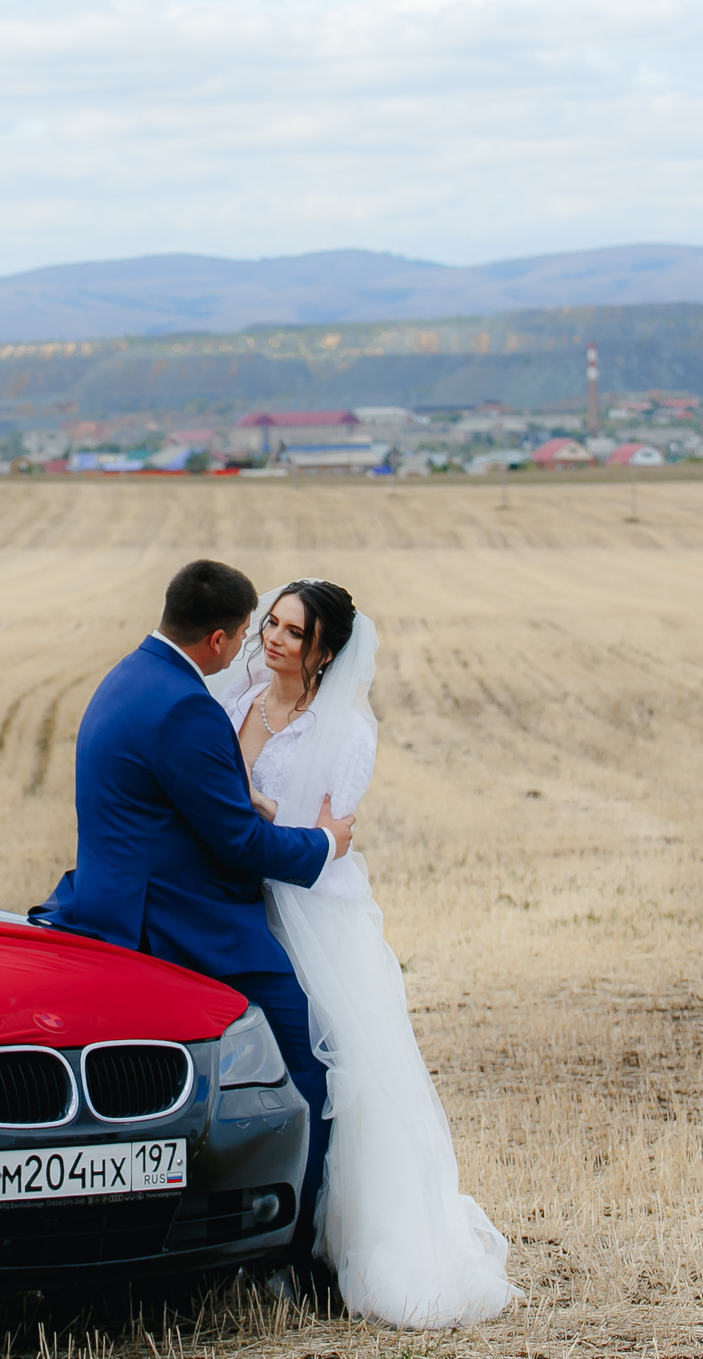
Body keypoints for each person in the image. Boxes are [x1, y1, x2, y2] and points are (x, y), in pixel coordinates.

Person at [33, 559, 355, 1272]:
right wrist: (325, 843)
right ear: (217, 638)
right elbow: (238, 845)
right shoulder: (187, 707)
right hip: (181, 921)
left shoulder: (129, 677)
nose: (252, 644)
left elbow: (168, 800)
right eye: (247, 632)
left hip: (116, 903)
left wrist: (243, 799)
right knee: (311, 1065)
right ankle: (291, 1257)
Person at [210, 578, 513, 1329]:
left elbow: (331, 839)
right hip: (241, 901)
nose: (274, 638)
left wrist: (257, 817)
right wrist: (257, 813)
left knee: (340, 1070)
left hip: (314, 912)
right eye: (272, 623)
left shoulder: (345, 732)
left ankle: (326, 1243)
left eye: (294, 632)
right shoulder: (236, 700)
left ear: (324, 653)